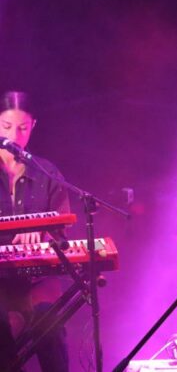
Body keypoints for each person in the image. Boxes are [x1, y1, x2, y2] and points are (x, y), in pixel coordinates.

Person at [0, 91, 70, 372]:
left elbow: (62, 233)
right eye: (6, 127)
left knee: (48, 321)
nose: (14, 136)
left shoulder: (47, 172)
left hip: (38, 276)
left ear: (33, 127)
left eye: (23, 128)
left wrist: (42, 236)